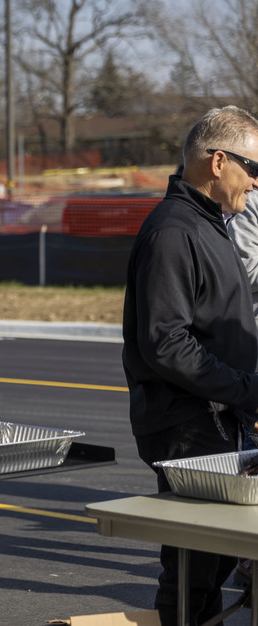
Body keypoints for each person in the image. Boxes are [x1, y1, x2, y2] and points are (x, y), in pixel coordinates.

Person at [123, 105, 258, 625]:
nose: (255, 182)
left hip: (216, 420)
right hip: (188, 426)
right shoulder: (174, 232)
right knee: (191, 568)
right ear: (218, 161)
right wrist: (247, 390)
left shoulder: (210, 224)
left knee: (218, 561)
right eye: (253, 169)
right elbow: (166, 343)